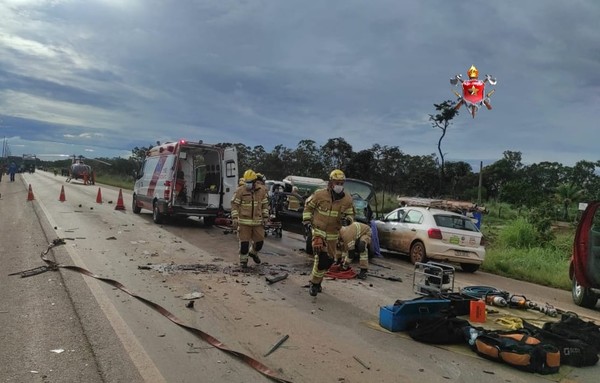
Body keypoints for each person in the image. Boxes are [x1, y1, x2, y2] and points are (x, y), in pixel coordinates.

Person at [303, 169, 355, 296]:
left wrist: (347, 220)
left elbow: (351, 214)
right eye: (337, 182)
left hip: (333, 234)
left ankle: (317, 281)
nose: (339, 186)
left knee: (328, 261)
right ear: (330, 183)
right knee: (321, 259)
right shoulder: (319, 194)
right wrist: (306, 222)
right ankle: (314, 284)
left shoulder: (347, 199)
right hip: (318, 231)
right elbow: (308, 208)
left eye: (342, 183)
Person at [230, 169, 270, 269]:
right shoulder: (240, 191)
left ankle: (253, 253)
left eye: (249, 182)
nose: (247, 184)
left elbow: (265, 205)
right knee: (244, 244)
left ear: (254, 182)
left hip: (257, 222)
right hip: (244, 222)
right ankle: (243, 261)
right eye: (246, 182)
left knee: (260, 242)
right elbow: (235, 205)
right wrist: (235, 217)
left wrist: (265, 217)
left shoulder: (261, 191)